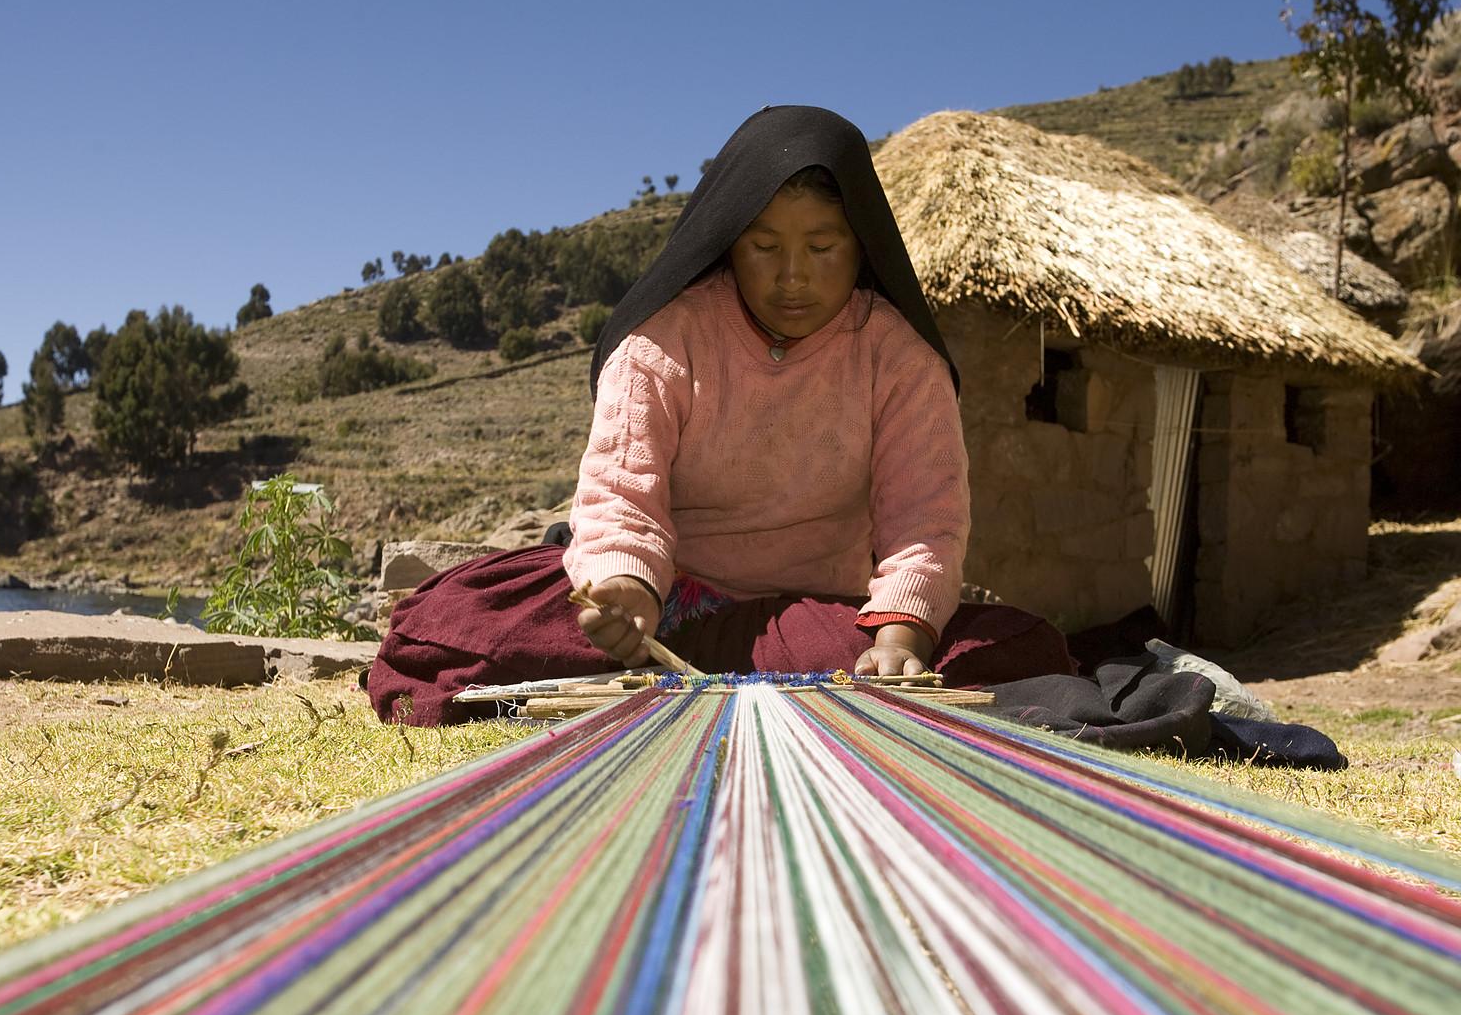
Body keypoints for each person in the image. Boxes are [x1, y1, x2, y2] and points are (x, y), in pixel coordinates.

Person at [368, 105, 1077, 727]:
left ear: (861, 244)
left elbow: (924, 522)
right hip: (667, 602)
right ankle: (642, 659)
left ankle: (694, 674)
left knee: (1018, 645)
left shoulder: (900, 362)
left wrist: (900, 640)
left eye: (822, 247)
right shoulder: (661, 344)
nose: (792, 275)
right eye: (765, 247)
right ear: (729, 241)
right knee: (448, 625)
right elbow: (622, 492)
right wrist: (623, 593)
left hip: (816, 614)